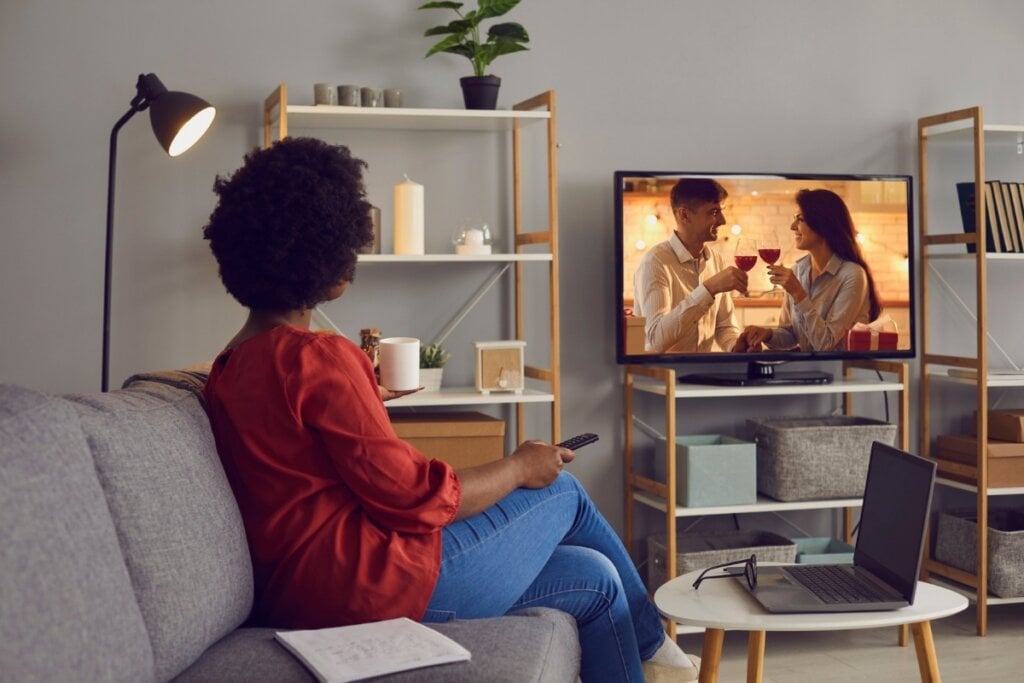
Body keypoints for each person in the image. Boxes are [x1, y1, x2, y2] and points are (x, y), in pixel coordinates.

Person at [201, 137, 699, 682]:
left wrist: (362, 394)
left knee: (596, 577)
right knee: (556, 486)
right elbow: (413, 498)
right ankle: (659, 648)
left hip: (302, 590)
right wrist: (516, 466)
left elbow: (296, 445)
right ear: (329, 251)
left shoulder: (228, 364)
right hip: (362, 588)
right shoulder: (318, 355)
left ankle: (652, 650)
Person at [734, 188, 881, 352]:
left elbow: (825, 345)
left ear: (822, 224)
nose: (792, 227)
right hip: (809, 370)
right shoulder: (798, 270)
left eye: (800, 219)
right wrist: (767, 334)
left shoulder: (852, 275)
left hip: (842, 371)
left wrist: (798, 293)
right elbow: (792, 335)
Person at [632, 178, 748, 353]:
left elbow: (725, 327)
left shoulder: (717, 260)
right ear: (684, 215)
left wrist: (736, 345)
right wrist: (708, 289)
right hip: (666, 375)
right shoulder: (655, 263)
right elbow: (655, 340)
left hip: (703, 372)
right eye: (714, 212)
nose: (723, 220)